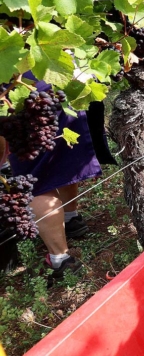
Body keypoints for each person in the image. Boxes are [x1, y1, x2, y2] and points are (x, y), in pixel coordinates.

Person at [1, 77, 108, 285]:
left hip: (19, 99)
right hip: (54, 85)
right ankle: (71, 219)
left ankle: (61, 259)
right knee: (62, 159)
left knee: (34, 180)